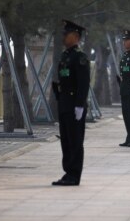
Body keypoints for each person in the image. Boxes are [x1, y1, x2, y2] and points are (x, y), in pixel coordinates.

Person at [51, 20, 90, 186]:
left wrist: (80, 105)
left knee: (75, 141)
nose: (64, 37)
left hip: (75, 105)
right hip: (65, 103)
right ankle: (67, 172)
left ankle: (74, 175)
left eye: (67, 34)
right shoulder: (65, 56)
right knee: (65, 140)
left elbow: (83, 83)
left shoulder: (80, 57)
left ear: (76, 36)